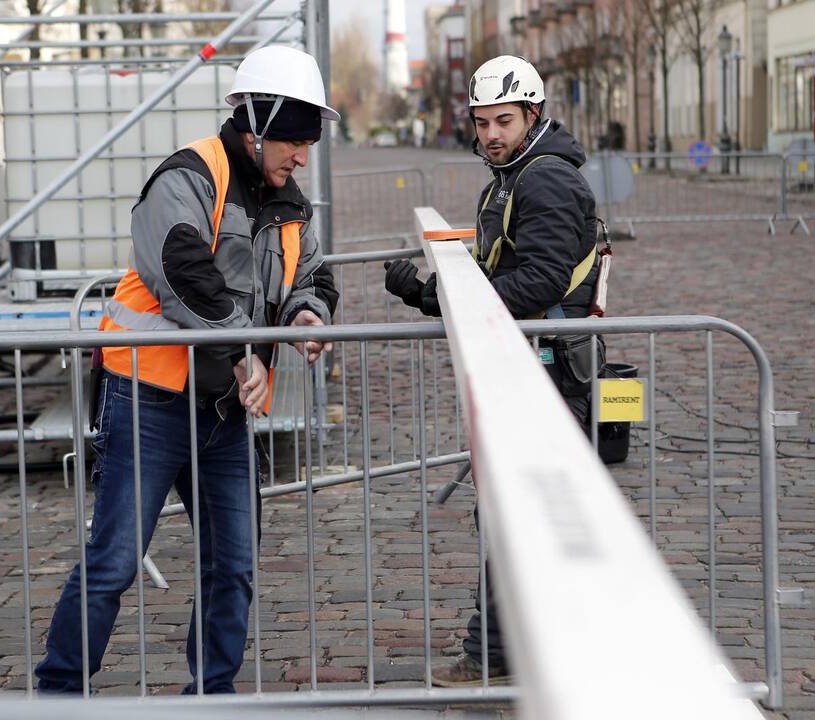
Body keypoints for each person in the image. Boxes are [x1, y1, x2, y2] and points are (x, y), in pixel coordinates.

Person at [35, 45, 339, 696]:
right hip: (149, 402)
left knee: (233, 565)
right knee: (114, 563)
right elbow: (181, 272)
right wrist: (241, 355)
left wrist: (308, 317)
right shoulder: (189, 175)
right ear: (257, 123)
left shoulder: (291, 204)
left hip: (223, 416)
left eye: (310, 142)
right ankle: (58, 696)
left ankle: (212, 697)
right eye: (294, 140)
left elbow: (309, 275)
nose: (303, 156)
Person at [383, 55, 602, 687]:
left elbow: (538, 281)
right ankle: (524, 650)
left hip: (552, 371)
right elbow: (497, 273)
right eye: (480, 124)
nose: (489, 135)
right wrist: (429, 292)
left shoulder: (545, 181)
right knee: (516, 513)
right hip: (528, 363)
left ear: (534, 114)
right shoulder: (510, 178)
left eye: (502, 121)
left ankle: (500, 654)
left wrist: (437, 296)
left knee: (519, 514)